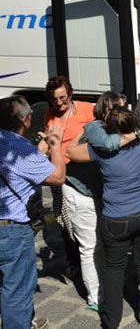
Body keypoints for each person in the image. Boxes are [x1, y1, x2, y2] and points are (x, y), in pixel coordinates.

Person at [66, 107, 140, 329]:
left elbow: (71, 151)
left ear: (109, 129)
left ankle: (112, 320)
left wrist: (88, 130)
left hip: (117, 218)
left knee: (114, 269)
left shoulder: (100, 150)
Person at [1, 96, 65, 329]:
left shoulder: (17, 149)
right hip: (11, 230)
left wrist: (40, 149)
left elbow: (21, 168)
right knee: (17, 289)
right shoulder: (20, 148)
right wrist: (55, 146)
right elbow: (57, 177)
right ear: (26, 120)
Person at [43, 75, 102, 310]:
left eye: (63, 98)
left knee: (86, 226)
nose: (59, 103)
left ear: (71, 93)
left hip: (85, 176)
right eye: (54, 99)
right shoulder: (49, 115)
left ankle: (88, 264)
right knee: (65, 223)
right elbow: (49, 140)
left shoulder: (87, 110)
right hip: (62, 179)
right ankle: (74, 262)